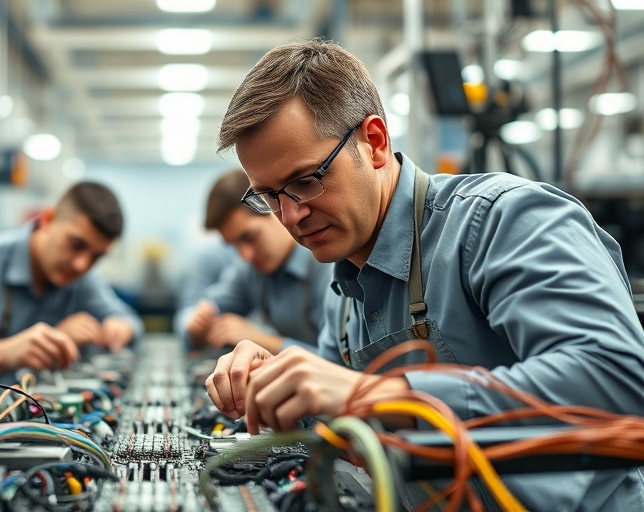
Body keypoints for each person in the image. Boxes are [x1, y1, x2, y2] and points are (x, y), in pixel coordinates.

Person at [206, 39, 644, 509]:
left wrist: (382, 396)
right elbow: (349, 426)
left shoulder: (499, 221)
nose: (290, 217)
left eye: (306, 181)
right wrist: (276, 384)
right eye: (269, 197)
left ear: (374, 142)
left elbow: (618, 379)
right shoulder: (345, 284)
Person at [0, 181, 143, 392]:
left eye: (97, 256)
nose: (82, 264)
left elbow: (128, 320)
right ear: (47, 219)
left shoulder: (80, 278)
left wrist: (119, 327)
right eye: (76, 244)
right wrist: (3, 355)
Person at [175, 169, 333, 353]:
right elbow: (194, 314)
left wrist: (260, 340)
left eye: (249, 237)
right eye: (234, 245)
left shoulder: (327, 266)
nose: (245, 255)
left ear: (275, 210)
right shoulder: (249, 270)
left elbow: (338, 364)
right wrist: (196, 326)